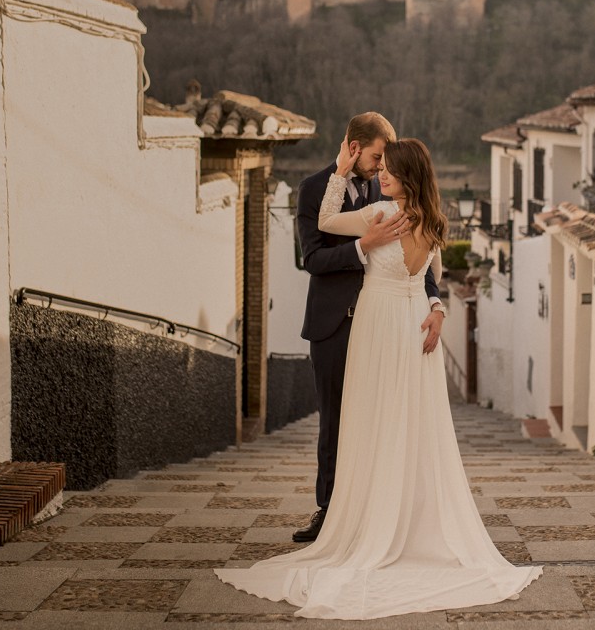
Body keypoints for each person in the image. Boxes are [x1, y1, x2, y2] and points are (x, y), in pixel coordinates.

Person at [215, 137, 542, 620]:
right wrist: (433, 305)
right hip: (407, 324)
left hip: (387, 322)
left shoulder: (379, 216)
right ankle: (397, 523)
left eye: (388, 170)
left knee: (381, 422)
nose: (380, 176)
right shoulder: (434, 222)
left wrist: (339, 174)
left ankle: (376, 524)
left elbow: (327, 224)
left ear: (406, 176)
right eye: (378, 167)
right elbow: (432, 277)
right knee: (401, 422)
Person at [287, 112, 444, 545]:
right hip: (335, 322)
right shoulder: (314, 189)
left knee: (383, 418)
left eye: (386, 160)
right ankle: (330, 511)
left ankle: (378, 512)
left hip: (387, 323)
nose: (381, 166)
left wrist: (436, 303)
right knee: (337, 420)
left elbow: (421, 262)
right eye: (376, 156)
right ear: (353, 147)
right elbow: (313, 259)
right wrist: (363, 247)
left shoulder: (390, 189)